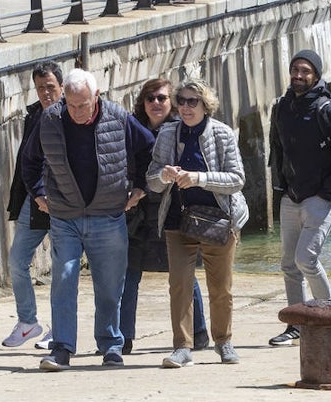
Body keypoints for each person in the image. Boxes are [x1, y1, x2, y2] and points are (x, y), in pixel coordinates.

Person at [20, 69, 154, 371]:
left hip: (108, 214)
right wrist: (39, 193)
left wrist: (140, 187)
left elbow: (148, 148)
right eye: (71, 104)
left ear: (97, 97)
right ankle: (62, 348)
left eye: (83, 104)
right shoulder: (51, 119)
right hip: (65, 215)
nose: (77, 111)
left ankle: (110, 345)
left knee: (109, 286)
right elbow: (29, 161)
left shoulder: (118, 118)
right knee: (63, 280)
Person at [147, 79, 248, 368]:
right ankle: (182, 346)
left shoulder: (222, 134)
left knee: (221, 287)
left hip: (218, 219)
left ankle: (224, 341)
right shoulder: (167, 134)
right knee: (178, 284)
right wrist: (164, 176)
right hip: (178, 219)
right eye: (182, 101)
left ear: (206, 105)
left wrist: (200, 178)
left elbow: (237, 179)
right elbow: (151, 181)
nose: (186, 107)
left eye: (193, 102)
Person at [267, 50, 331, 346]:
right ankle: (296, 324)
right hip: (291, 196)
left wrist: (327, 191)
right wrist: (281, 188)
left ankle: (329, 315)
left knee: (306, 258)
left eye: (305, 71)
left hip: (322, 197)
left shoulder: (329, 110)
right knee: (288, 264)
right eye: (294, 69)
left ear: (316, 76)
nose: (298, 75)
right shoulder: (281, 107)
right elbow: (277, 151)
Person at [121, 78, 209, 356]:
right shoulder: (132, 129)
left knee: (183, 275)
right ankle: (123, 338)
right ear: (142, 103)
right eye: (150, 98)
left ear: (171, 102)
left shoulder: (179, 131)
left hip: (170, 210)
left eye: (161, 98)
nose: (156, 103)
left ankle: (198, 332)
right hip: (137, 216)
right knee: (128, 275)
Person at [3, 62, 64, 349]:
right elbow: (27, 163)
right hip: (35, 200)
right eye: (40, 88)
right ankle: (28, 322)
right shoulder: (35, 115)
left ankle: (60, 326)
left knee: (63, 266)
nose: (46, 93)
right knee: (17, 261)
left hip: (65, 202)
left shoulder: (70, 114)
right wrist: (33, 196)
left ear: (61, 87)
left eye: (50, 87)